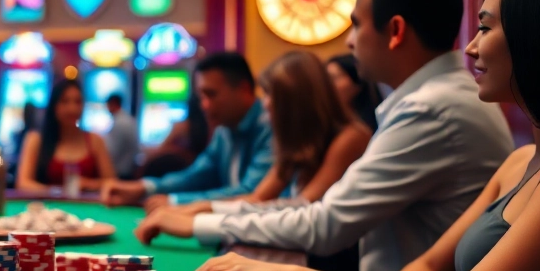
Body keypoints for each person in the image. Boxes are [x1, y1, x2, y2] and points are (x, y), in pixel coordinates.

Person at [183, 0, 540, 271]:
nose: (471, 47)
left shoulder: (434, 108)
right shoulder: (517, 158)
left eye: (485, 28)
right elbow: (430, 268)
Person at [141, 0, 514, 271]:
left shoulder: (433, 108)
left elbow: (325, 225)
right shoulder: (436, 97)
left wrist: (198, 223)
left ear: (396, 31)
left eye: (356, 24)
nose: (349, 42)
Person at [139, 51, 370, 223]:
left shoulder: (351, 137)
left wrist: (199, 218)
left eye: (274, 95)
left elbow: (302, 209)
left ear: (303, 100)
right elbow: (257, 198)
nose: (266, 103)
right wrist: (194, 208)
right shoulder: (295, 142)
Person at [102, 52, 274, 212]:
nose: (204, 105)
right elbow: (196, 175)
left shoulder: (271, 128)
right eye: (201, 97)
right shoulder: (224, 130)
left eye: (211, 94)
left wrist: (176, 202)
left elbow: (253, 193)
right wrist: (144, 187)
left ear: (243, 89)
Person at [15, 79, 116, 193]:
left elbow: (112, 183)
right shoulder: (35, 139)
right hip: (47, 209)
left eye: (78, 102)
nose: (72, 108)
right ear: (54, 105)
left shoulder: (95, 140)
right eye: (65, 101)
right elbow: (23, 183)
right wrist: (58, 192)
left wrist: (86, 184)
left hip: (86, 208)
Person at [139, 97, 211, 178]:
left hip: (175, 173)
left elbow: (162, 149)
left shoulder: (182, 126)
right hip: (199, 175)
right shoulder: (212, 127)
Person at [327, 54, 381, 131]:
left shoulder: (382, 116)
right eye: (326, 80)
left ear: (357, 82)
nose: (328, 86)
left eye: (334, 78)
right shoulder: (333, 123)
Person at [103, 93, 140, 179]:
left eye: (108, 105)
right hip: (130, 170)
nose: (107, 109)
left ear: (112, 104)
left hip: (121, 173)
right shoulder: (129, 120)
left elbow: (112, 152)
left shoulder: (119, 123)